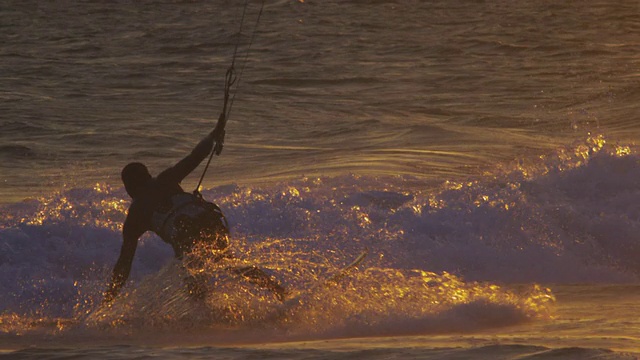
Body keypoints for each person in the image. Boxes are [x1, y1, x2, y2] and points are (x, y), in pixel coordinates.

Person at [103, 126, 285, 304]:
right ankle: (279, 291)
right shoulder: (166, 179)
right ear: (149, 176)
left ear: (128, 188)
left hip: (186, 235)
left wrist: (109, 298)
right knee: (231, 264)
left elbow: (123, 265)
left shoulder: (135, 215)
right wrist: (213, 135)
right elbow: (195, 157)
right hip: (211, 223)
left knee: (193, 277)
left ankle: (204, 315)